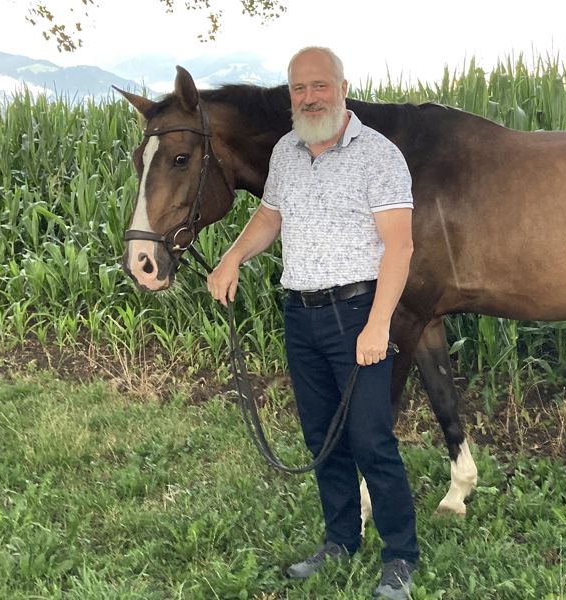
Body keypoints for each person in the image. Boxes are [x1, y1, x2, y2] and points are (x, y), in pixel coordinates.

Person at [207, 46, 419, 600]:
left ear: (343, 87)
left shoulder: (379, 156)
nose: (309, 96)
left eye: (319, 85)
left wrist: (378, 325)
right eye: (299, 88)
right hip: (299, 314)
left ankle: (400, 556)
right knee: (321, 437)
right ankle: (340, 540)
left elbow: (400, 246)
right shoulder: (285, 150)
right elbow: (270, 215)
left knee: (372, 440)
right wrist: (233, 257)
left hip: (357, 313)